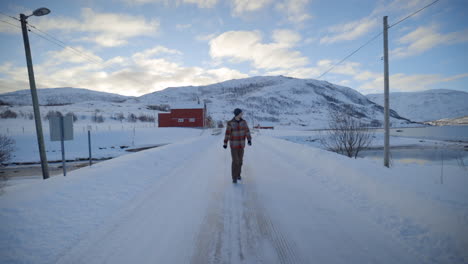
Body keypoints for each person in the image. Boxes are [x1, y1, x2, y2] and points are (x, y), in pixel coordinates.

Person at [223, 108, 252, 183]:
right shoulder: (230, 123)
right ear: (237, 114)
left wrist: (249, 139)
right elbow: (227, 133)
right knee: (235, 161)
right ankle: (234, 177)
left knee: (240, 161)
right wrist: (225, 143)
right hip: (234, 145)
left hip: (241, 145)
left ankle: (238, 175)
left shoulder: (244, 122)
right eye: (241, 113)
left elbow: (247, 131)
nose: (242, 114)